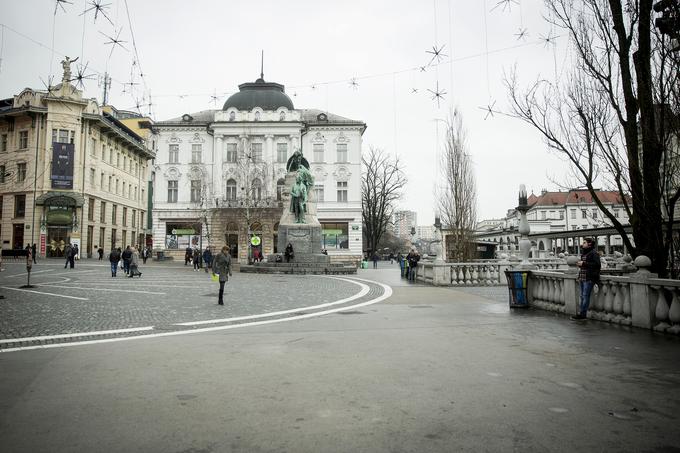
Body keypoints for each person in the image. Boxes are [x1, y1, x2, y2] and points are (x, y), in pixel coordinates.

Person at [571, 238, 601, 321]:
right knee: (582, 296)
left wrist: (584, 263)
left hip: (589, 277)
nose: (582, 244)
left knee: (585, 296)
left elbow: (597, 265)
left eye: (584, 243)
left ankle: (582, 314)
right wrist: (580, 265)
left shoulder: (594, 253)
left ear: (590, 244)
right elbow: (586, 265)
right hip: (582, 277)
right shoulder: (585, 253)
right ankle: (581, 313)